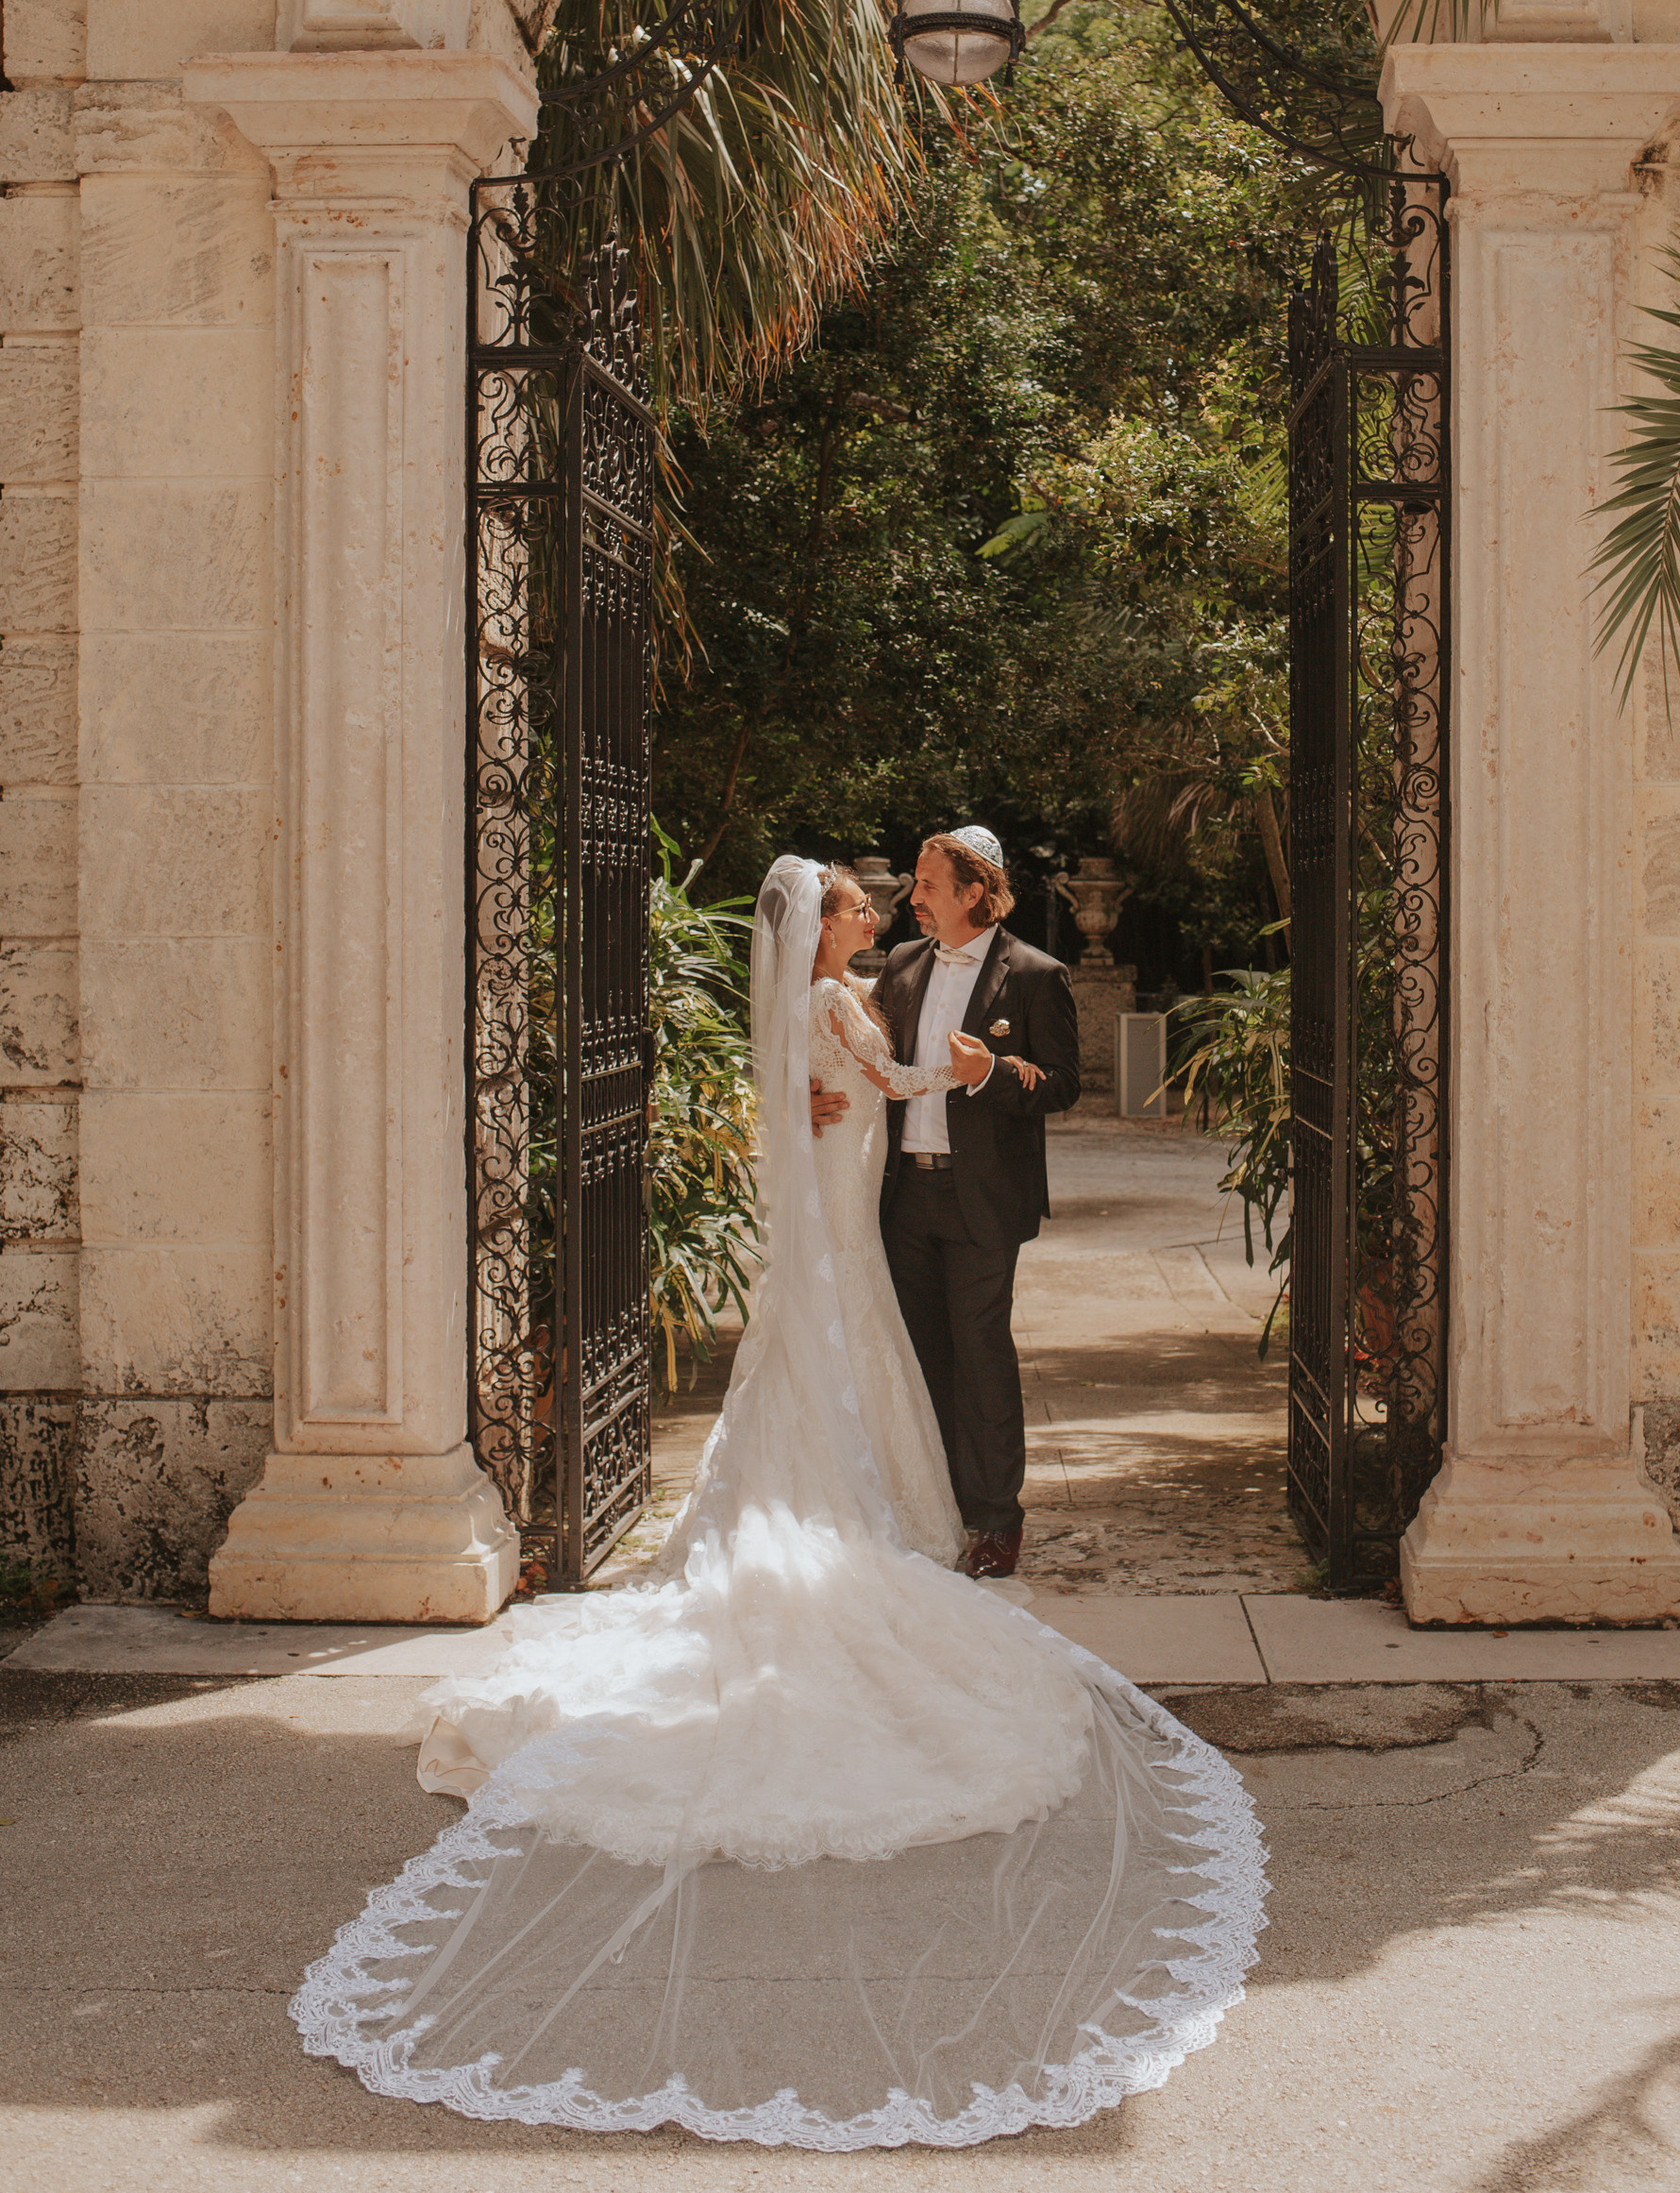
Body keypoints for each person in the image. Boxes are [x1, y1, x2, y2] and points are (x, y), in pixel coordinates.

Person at [292, 854, 1266, 2147]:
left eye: (903, 888)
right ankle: (904, 1520)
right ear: (833, 925)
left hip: (894, 1212)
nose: (887, 904)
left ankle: (967, 1507)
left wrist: (981, 1078)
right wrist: (957, 1072)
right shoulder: (849, 997)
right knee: (867, 1367)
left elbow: (916, 1082)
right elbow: (900, 1077)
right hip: (859, 1228)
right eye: (869, 899)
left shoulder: (882, 988)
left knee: (920, 1363)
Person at [811, 827, 1080, 1581]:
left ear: (973, 892)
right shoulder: (898, 965)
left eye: (928, 885)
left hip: (985, 1200)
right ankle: (933, 1509)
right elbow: (825, 1020)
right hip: (899, 1195)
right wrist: (801, 1092)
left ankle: (995, 1522)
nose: (912, 898)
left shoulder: (1036, 974)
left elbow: (1062, 1083)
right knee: (920, 1359)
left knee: (982, 1356)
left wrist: (994, 1070)